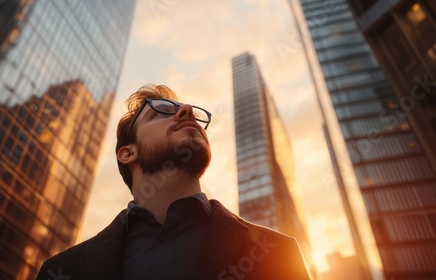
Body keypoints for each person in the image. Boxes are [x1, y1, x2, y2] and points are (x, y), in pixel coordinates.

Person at [36, 84, 310, 280]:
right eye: (161, 112)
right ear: (128, 152)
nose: (188, 111)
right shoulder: (63, 269)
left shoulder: (278, 253)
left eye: (189, 111)